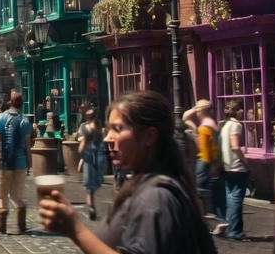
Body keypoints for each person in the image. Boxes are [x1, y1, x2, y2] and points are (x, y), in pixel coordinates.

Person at [38, 90, 216, 254]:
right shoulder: (142, 184)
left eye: (117, 129)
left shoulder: (156, 197)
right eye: (108, 129)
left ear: (149, 136)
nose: (108, 138)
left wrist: (75, 229)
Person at [0, 90, 33, 234]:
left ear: (10, 102)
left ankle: (2, 223)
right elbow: (27, 145)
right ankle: (21, 224)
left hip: (5, 161)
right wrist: (29, 162)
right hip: (21, 162)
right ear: (22, 105)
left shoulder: (1, 118)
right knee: (17, 195)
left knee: (2, 193)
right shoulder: (25, 120)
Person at [182, 99, 225, 234]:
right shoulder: (211, 124)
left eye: (198, 110)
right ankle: (215, 221)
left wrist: (195, 137)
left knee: (201, 191)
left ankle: (211, 219)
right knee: (206, 191)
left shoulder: (204, 127)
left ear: (201, 111)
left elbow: (205, 151)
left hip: (204, 162)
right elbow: (186, 118)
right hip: (213, 161)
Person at [218, 100, 247, 241]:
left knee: (230, 198)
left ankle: (232, 228)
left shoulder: (224, 125)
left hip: (226, 166)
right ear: (238, 110)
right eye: (243, 109)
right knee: (236, 199)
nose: (244, 112)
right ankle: (235, 231)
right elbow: (235, 147)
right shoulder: (236, 125)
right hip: (237, 167)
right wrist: (246, 162)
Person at [76, 104, 105, 221]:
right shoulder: (91, 126)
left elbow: (81, 146)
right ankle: (91, 207)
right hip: (94, 156)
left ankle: (91, 206)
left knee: (91, 185)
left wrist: (81, 159)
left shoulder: (89, 127)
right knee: (91, 186)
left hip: (92, 156)